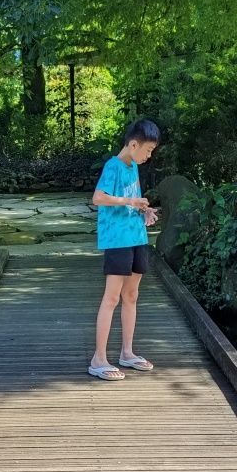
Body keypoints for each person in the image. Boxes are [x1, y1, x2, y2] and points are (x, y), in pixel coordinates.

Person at [88, 119, 160, 381]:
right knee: (112, 298)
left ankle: (127, 353)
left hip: (136, 237)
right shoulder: (113, 166)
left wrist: (145, 210)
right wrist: (130, 200)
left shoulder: (133, 168)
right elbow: (98, 198)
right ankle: (98, 360)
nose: (149, 155)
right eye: (148, 150)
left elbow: (136, 198)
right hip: (117, 240)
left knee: (131, 296)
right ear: (133, 144)